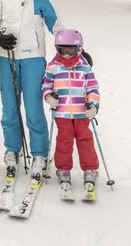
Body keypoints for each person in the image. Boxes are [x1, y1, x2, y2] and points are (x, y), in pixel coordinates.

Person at [0, 0, 64, 181]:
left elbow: (56, 25)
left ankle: (39, 153)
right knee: (9, 107)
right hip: (6, 57)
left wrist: (72, 49)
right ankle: (12, 149)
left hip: (32, 58)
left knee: (33, 107)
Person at [42, 29, 100, 191]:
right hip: (62, 112)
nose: (66, 54)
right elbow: (46, 84)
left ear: (79, 48)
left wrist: (94, 105)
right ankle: (63, 168)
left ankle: (90, 169)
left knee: (85, 140)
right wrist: (48, 97)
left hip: (83, 112)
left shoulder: (85, 67)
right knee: (64, 140)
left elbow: (93, 88)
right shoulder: (53, 66)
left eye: (71, 50)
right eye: (62, 50)